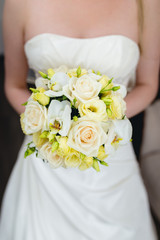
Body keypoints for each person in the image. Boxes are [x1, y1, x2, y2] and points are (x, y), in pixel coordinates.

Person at [0, 0, 159, 239]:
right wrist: (48, 121)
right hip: (46, 164)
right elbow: (13, 85)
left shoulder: (147, 4)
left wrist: (100, 119)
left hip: (113, 168)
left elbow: (148, 85)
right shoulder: (18, 3)